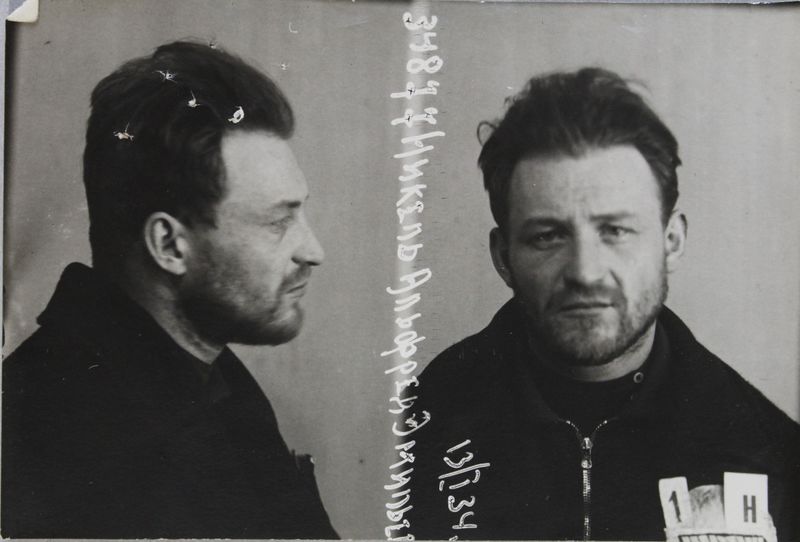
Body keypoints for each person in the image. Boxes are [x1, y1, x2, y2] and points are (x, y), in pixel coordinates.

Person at [406, 68, 800, 541]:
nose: (586, 272)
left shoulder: (767, 451)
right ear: (504, 258)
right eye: (548, 236)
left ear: (671, 242)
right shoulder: (428, 420)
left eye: (615, 231)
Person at [2, 41, 337, 539]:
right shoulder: (52, 434)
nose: (313, 251)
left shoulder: (215, 379)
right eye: (277, 222)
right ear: (169, 245)